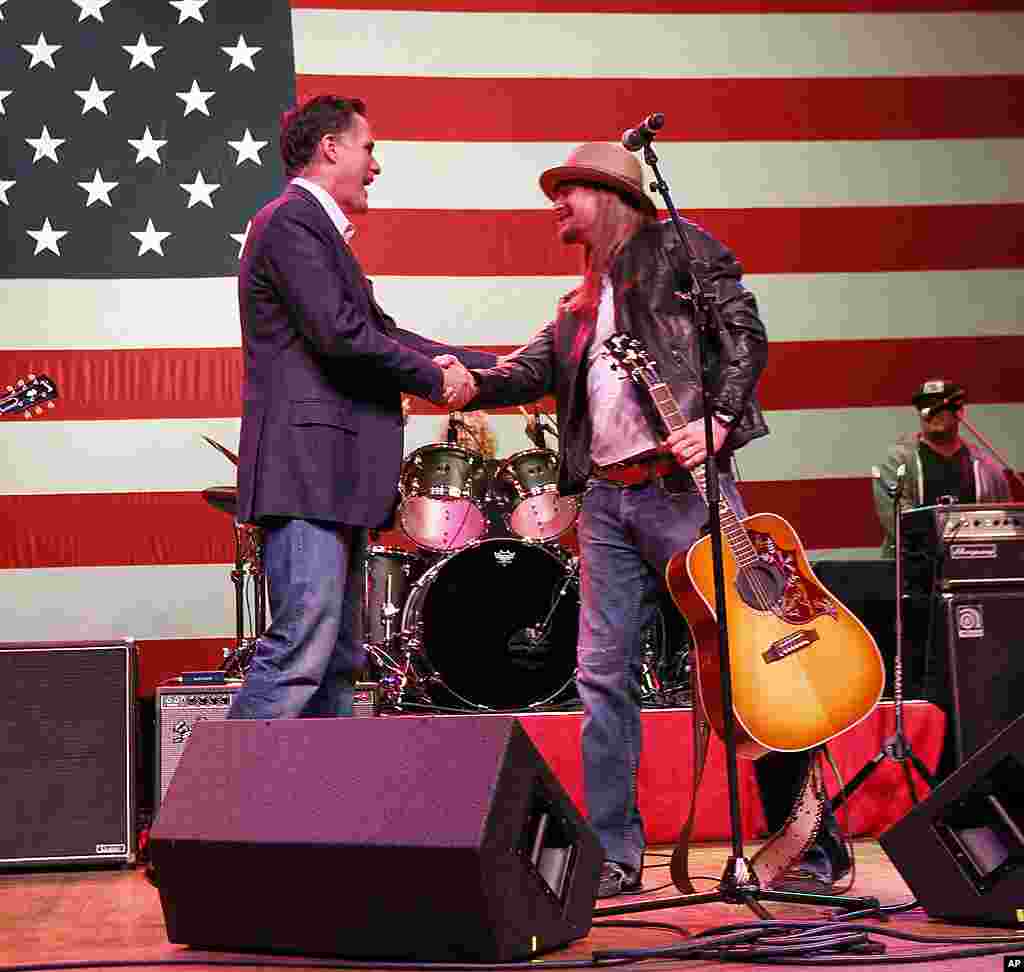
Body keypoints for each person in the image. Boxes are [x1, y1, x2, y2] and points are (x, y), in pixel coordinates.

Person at [439, 142, 848, 897]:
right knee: (600, 675)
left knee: (763, 650)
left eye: (569, 193)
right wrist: (447, 376)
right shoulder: (580, 298)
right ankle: (614, 856)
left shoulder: (679, 246)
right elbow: (524, 372)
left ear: (613, 195)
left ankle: (809, 843)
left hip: (686, 489)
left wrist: (721, 420)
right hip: (606, 500)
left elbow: (745, 335)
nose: (556, 206)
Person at [228, 95, 495, 720]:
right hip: (305, 473)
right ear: (331, 148)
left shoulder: (320, 235)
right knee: (299, 653)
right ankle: (215, 817)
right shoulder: (289, 221)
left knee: (336, 666)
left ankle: (316, 815)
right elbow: (340, 334)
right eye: (368, 147)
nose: (375, 165)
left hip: (335, 478)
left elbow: (382, 332)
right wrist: (437, 377)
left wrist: (491, 369)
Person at [873, 379, 1011, 557]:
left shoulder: (987, 466)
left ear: (960, 412)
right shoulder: (896, 462)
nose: (933, 413)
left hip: (974, 568)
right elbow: (897, 520)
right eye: (926, 406)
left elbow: (1005, 525)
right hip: (912, 571)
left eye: (940, 407)